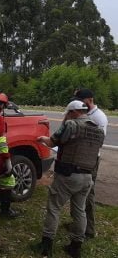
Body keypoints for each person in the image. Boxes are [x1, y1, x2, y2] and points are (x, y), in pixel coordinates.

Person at [37, 100, 104, 258]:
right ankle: (76, 247)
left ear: (74, 112)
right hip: (87, 176)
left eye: (67, 113)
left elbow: (53, 141)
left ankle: (46, 245)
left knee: (54, 208)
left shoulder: (71, 125)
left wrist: (42, 139)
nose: (66, 116)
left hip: (68, 175)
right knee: (79, 211)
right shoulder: (99, 130)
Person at [72, 88, 108, 239]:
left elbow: (98, 142)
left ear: (88, 100)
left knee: (88, 193)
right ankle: (78, 223)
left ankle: (89, 230)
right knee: (76, 191)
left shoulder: (99, 117)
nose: (79, 104)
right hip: (78, 157)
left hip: (90, 160)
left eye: (81, 101)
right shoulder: (85, 113)